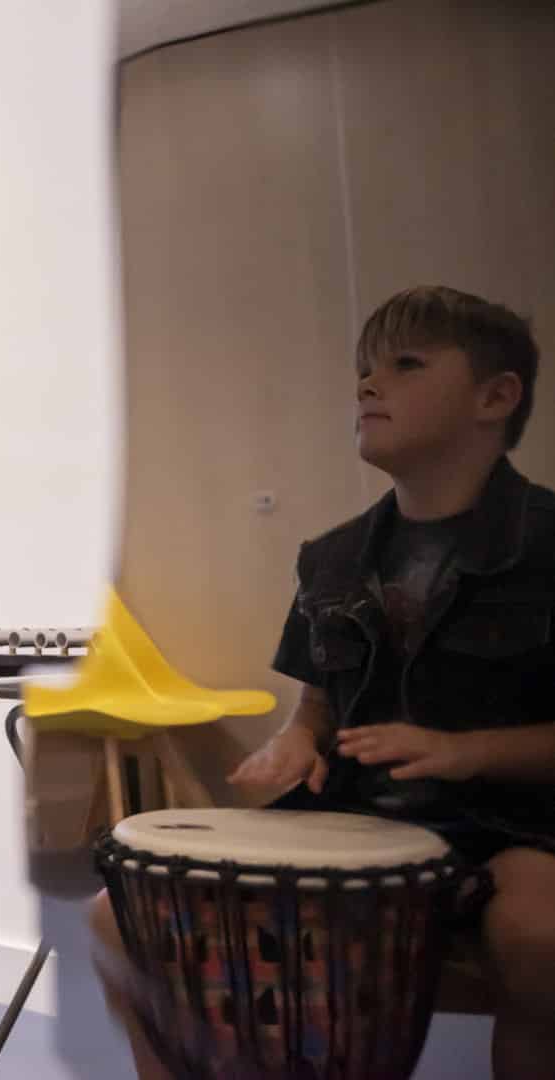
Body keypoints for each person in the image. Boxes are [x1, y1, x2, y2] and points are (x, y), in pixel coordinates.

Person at [88, 286, 554, 1079]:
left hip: (510, 825)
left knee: (539, 936)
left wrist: (465, 752)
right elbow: (316, 706)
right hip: (355, 813)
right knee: (117, 918)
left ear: (496, 396)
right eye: (363, 371)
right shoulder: (331, 558)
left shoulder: (546, 543)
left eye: (404, 365)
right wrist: (295, 740)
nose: (369, 385)